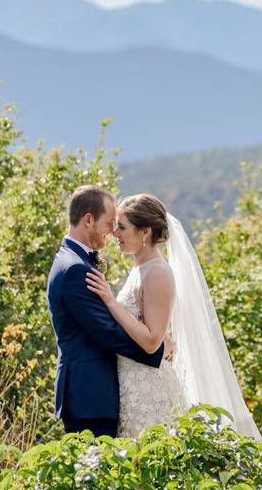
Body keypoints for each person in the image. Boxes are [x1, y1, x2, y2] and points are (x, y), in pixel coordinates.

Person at [85, 193, 262, 440]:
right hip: (132, 382)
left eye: (122, 227)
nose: (115, 233)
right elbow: (148, 324)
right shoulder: (140, 269)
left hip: (148, 387)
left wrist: (110, 301)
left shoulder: (157, 272)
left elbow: (150, 342)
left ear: (145, 232)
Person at [46, 185, 171, 438]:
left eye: (119, 226)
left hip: (100, 394)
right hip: (89, 396)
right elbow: (108, 331)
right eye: (109, 223)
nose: (113, 232)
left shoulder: (74, 260)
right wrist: (156, 346)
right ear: (88, 220)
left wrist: (155, 336)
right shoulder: (74, 269)